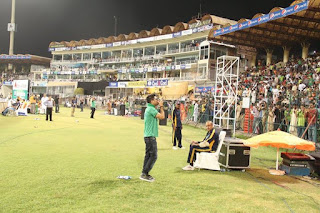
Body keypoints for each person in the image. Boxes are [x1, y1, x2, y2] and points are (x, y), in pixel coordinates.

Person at [140, 94, 165, 182]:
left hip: (148, 136)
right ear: (151, 100)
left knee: (148, 156)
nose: (157, 100)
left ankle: (144, 173)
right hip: (150, 136)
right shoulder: (151, 109)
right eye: (156, 99)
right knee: (154, 156)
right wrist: (161, 106)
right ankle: (145, 173)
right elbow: (162, 117)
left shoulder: (149, 108)